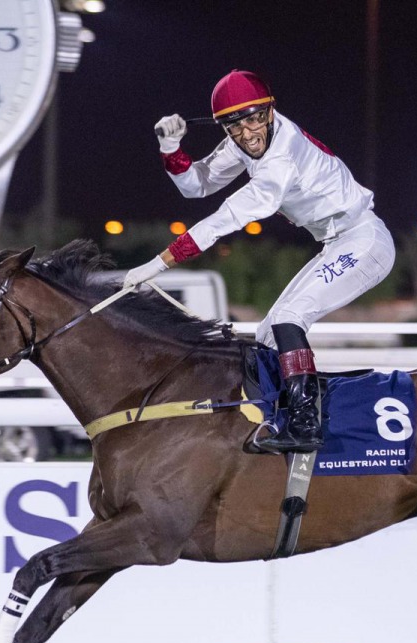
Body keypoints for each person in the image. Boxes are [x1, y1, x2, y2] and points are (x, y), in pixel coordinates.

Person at [123, 69, 396, 454]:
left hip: (365, 241)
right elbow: (196, 185)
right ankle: (274, 418)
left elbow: (224, 218)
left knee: (287, 320)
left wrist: (158, 264)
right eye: (235, 125)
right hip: (337, 242)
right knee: (268, 335)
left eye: (254, 119)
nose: (248, 133)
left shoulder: (281, 156)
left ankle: (306, 423)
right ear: (225, 127)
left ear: (270, 112)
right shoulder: (243, 140)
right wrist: (171, 150)